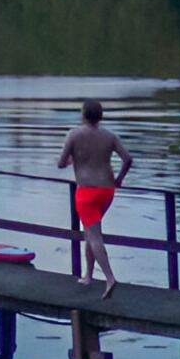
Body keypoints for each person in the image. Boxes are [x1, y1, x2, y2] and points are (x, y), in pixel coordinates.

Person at [59, 98, 130, 288]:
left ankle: (110, 278)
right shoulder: (109, 136)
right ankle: (88, 276)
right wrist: (119, 179)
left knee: (94, 235)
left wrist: (74, 160)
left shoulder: (74, 135)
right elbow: (127, 159)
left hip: (86, 192)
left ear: (83, 114)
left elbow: (61, 163)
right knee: (89, 233)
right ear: (100, 116)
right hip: (107, 191)